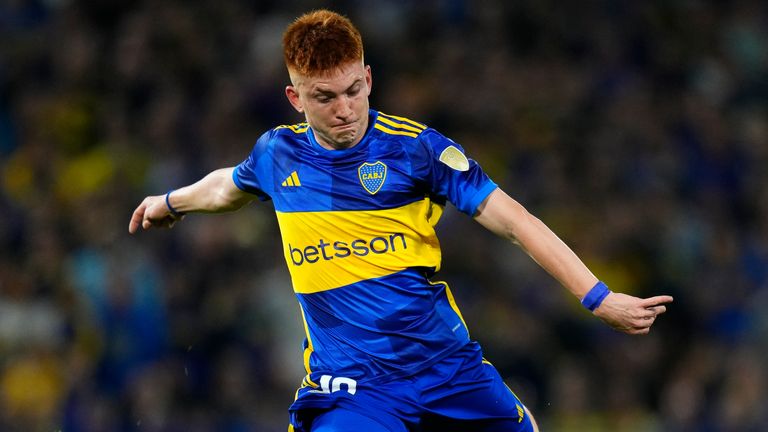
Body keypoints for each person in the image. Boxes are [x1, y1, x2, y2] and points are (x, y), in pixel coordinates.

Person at [128, 9, 673, 432]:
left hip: (447, 367)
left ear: (368, 78)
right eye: (324, 97)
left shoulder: (418, 151)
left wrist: (598, 297)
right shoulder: (277, 156)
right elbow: (228, 186)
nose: (344, 109)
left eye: (353, 91)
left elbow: (515, 220)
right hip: (355, 386)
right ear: (295, 98)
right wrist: (169, 202)